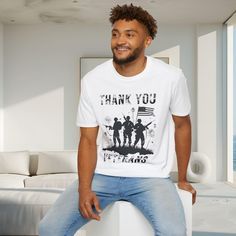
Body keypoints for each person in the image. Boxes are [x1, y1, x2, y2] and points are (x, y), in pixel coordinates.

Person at [39, 4, 196, 236]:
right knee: (49, 228)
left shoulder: (171, 78)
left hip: (151, 178)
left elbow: (182, 126)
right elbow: (87, 139)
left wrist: (182, 178)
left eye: (130, 34)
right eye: (115, 34)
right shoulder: (93, 80)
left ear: (147, 41)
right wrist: (84, 188)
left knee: (174, 232)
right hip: (103, 175)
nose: (120, 40)